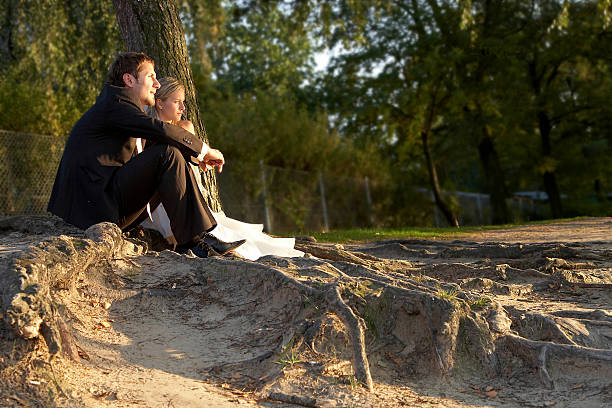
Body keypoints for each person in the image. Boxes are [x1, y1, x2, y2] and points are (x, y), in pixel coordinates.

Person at [47, 52, 245, 258]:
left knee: (168, 153)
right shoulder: (116, 104)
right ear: (129, 79)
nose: (157, 84)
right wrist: (205, 151)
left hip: (105, 203)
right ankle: (193, 241)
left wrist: (195, 157)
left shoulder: (120, 106)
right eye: (151, 76)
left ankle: (196, 239)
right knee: (166, 154)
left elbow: (154, 146)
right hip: (96, 212)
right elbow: (160, 131)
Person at [140, 77, 304, 260]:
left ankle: (199, 238)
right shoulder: (146, 128)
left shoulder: (185, 127)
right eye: (177, 102)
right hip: (156, 199)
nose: (183, 108)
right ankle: (187, 241)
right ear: (160, 103)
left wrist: (201, 158)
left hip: (185, 196)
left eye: (183, 102)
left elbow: (193, 157)